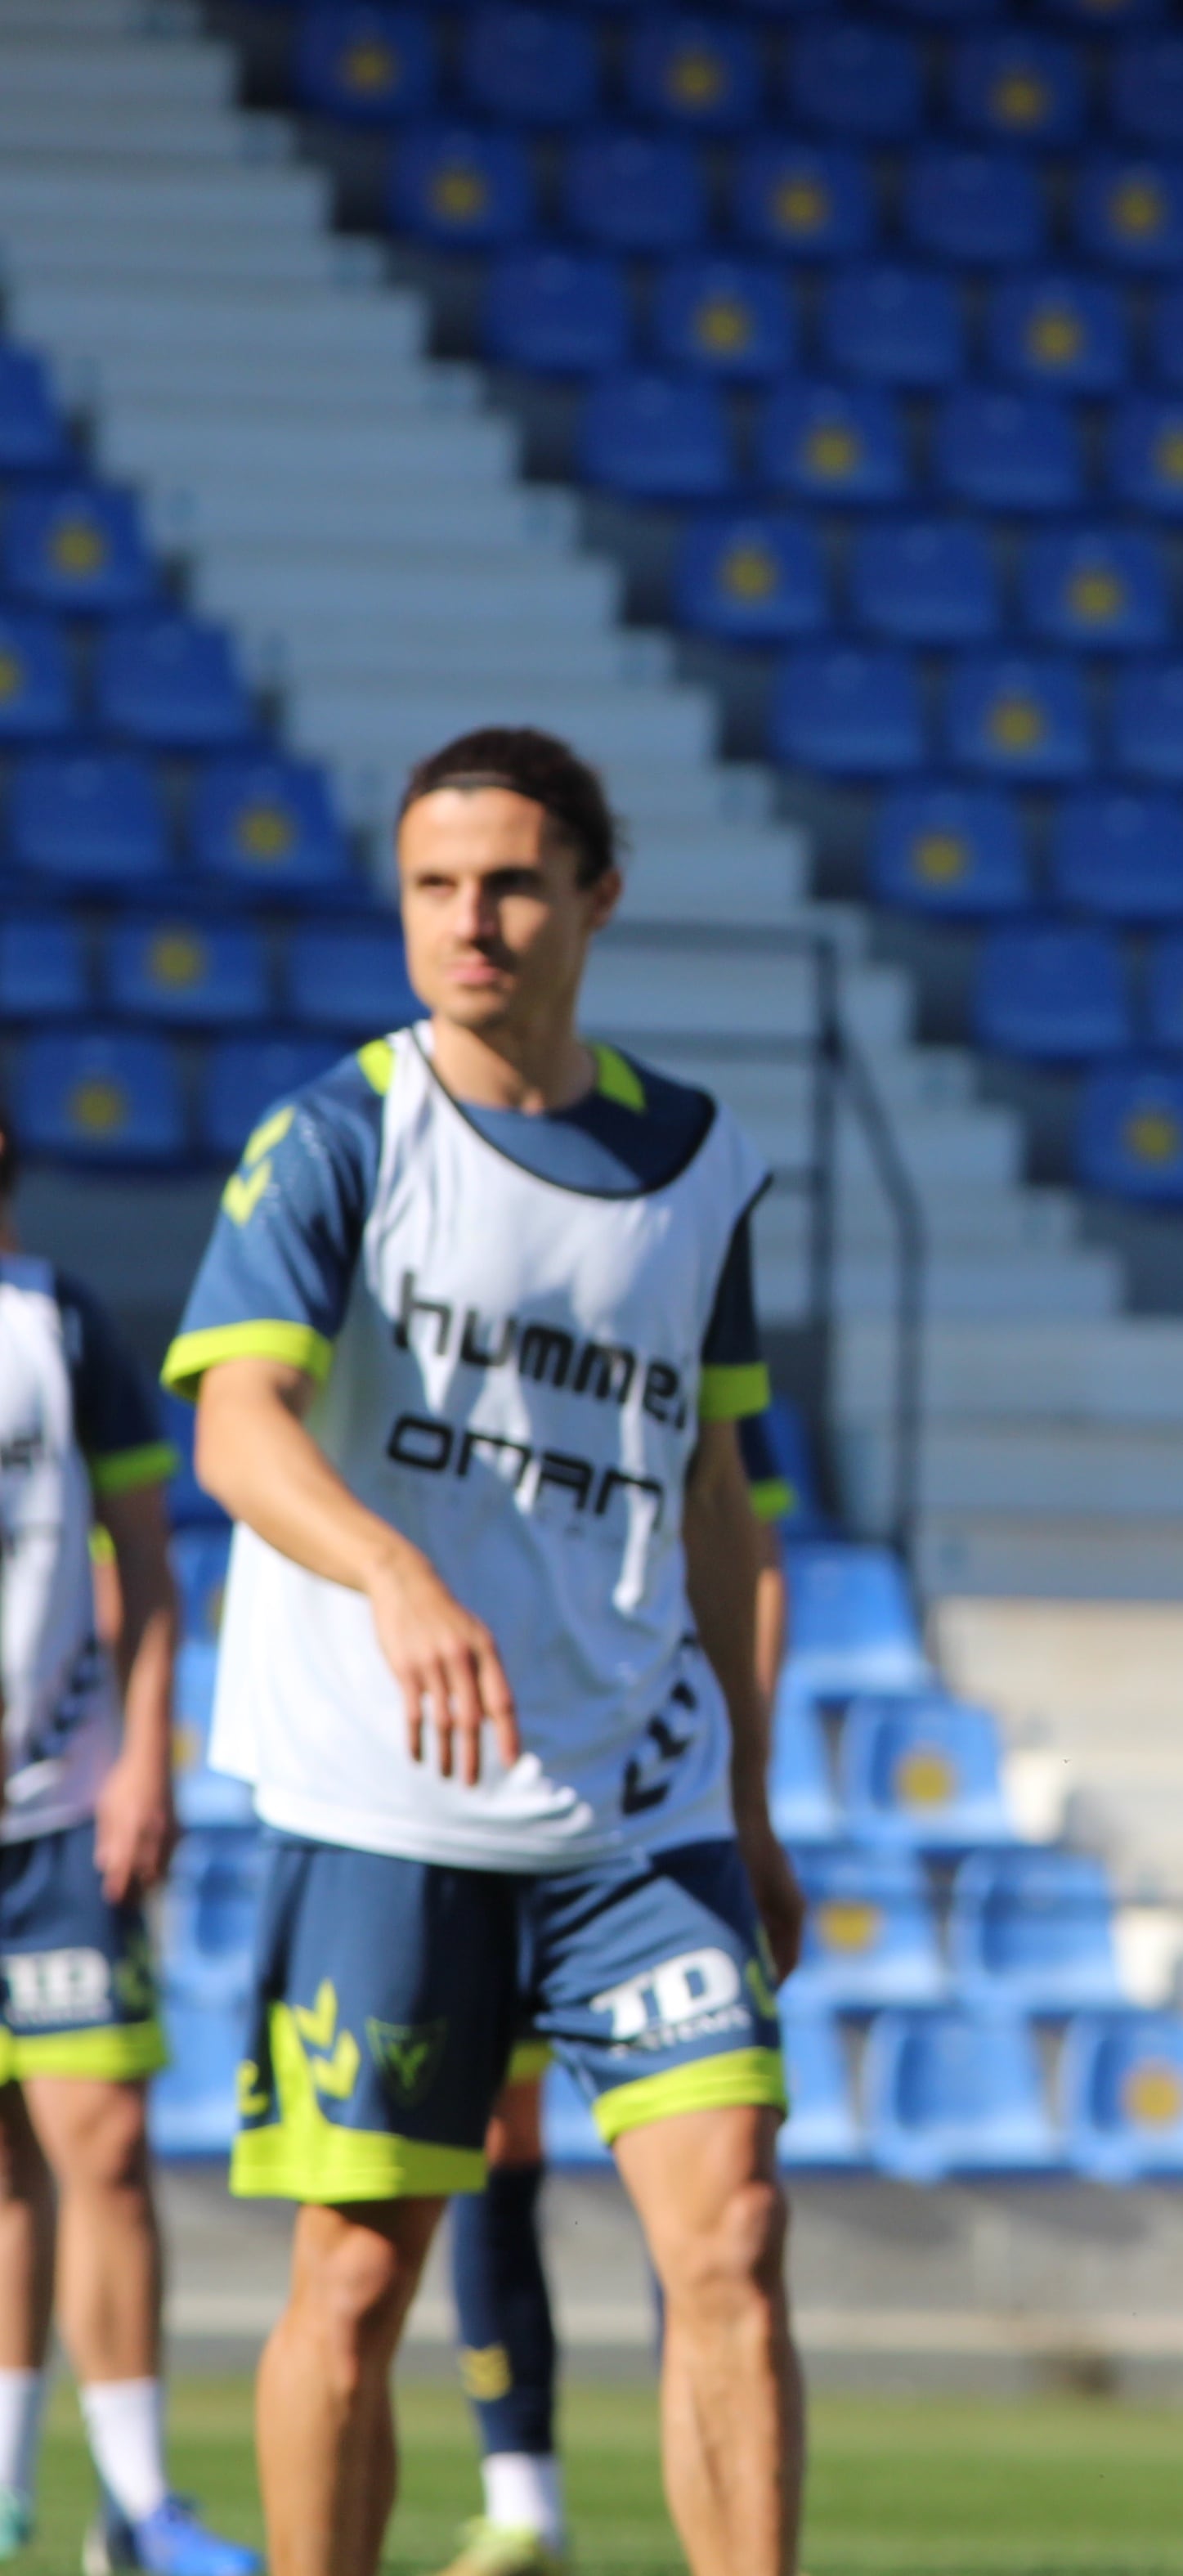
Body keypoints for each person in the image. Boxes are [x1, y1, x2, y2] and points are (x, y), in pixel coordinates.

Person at [162, 726, 808, 2576]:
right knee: (356, 2286)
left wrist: (753, 1808)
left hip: (641, 1810)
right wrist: (392, 1573)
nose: (474, 922)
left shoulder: (700, 1164)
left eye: (515, 882)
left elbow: (718, 1499)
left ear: (598, 895)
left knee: (736, 2237)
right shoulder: (337, 1133)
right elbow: (235, 1427)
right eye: (438, 887)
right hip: (389, 1801)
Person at [436, 1409, 800, 2576]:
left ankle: (703, 2496)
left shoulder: (679, 1284)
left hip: (648, 1812)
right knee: (494, 2137)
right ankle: (522, 2498)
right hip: (473, 1802)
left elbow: (753, 1549)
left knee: (711, 2192)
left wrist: (746, 1771)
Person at [0, 1112, 263, 2576]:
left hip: (62, 1813)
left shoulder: (61, 1323)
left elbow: (152, 1570)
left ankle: (141, 2503)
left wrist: (142, 1760)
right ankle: (8, 2493)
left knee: (97, 2146)